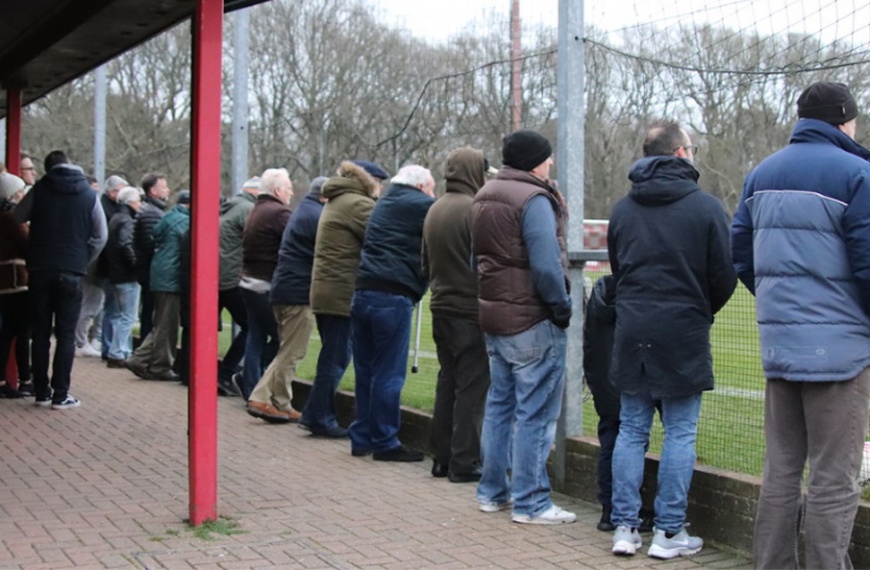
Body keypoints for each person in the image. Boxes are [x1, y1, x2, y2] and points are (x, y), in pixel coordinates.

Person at [732, 82, 870, 569]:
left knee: (781, 472)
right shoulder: (859, 174)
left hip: (781, 346)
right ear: (844, 120)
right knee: (835, 477)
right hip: (840, 353)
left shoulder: (762, 173)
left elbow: (741, 257)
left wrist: (783, 311)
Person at [608, 120, 736, 558]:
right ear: (681, 154)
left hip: (634, 327)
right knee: (679, 433)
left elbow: (618, 268)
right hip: (681, 329)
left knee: (632, 430)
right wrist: (698, 310)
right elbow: (724, 274)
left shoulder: (624, 209)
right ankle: (667, 531)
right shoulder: (706, 208)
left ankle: (625, 526)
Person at [471, 129, 574, 524]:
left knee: (500, 406)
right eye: (547, 158)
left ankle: (492, 492)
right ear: (536, 161)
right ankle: (531, 502)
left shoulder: (483, 195)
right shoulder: (533, 199)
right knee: (534, 413)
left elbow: (474, 260)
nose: (551, 165)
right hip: (533, 319)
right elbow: (547, 263)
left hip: (495, 318)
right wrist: (560, 307)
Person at [348, 165, 435, 461]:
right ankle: (385, 442)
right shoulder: (418, 204)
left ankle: (361, 438)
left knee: (365, 370)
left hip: (363, 292)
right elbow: (451, 215)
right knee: (388, 372)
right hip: (392, 295)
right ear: (422, 187)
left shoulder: (385, 202)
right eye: (432, 188)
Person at [14, 150, 107, 409]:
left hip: (40, 269)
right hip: (72, 270)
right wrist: (82, 258)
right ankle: (60, 394)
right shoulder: (89, 194)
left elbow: (18, 216)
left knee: (40, 333)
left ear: (47, 168)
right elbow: (101, 235)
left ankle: (41, 391)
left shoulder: (40, 189)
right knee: (66, 335)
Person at [422, 147, 490, 481]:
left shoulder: (435, 209)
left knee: (447, 382)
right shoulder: (474, 210)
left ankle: (441, 457)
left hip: (441, 307)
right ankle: (464, 462)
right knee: (472, 390)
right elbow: (486, 264)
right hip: (469, 310)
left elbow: (424, 263)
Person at [308, 161, 379, 445]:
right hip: (340, 292)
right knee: (336, 358)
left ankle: (316, 413)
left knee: (331, 356)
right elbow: (380, 234)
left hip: (326, 290)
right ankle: (320, 417)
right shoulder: (356, 205)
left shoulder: (337, 201)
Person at [248, 177, 326, 425]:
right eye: (288, 188)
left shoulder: (301, 211)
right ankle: (260, 397)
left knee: (286, 348)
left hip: (282, 289)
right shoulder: (313, 216)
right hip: (297, 293)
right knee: (292, 351)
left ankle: (281, 401)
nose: (292, 192)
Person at [583, 275, 655, 533]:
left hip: (604, 377)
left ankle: (608, 509)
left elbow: (589, 341)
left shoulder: (601, 292)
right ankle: (625, 511)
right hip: (628, 376)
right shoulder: (638, 291)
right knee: (632, 438)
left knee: (610, 439)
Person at [237, 168, 294, 403]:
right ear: (278, 190)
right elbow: (293, 245)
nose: (291, 192)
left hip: (248, 283)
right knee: (286, 340)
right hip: (265, 285)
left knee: (256, 337)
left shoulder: (256, 210)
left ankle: (250, 384)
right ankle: (259, 386)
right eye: (289, 188)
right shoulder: (279, 213)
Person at [125, 190, 190, 381]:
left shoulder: (169, 217)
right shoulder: (183, 222)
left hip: (159, 275)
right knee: (166, 325)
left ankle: (144, 359)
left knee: (161, 322)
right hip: (171, 279)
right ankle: (155, 364)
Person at [217, 176, 261, 396]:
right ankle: (225, 375)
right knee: (251, 327)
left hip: (217, 276)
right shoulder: (247, 209)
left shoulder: (228, 207)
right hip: (232, 278)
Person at [0, 172, 32, 398]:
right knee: (20, 331)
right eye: (19, 191)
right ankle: (25, 379)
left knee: (9, 331)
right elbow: (27, 244)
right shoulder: (12, 218)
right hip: (15, 279)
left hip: (6, 280)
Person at [104, 187, 142, 367]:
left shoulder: (115, 218)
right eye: (137, 201)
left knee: (118, 314)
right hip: (126, 275)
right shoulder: (127, 221)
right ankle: (117, 352)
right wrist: (136, 263)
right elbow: (125, 244)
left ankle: (120, 350)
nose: (139, 204)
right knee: (127, 316)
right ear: (130, 202)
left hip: (115, 273)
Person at [132, 173, 171, 344]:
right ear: (153, 191)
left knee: (149, 311)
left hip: (146, 271)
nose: (167, 190)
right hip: (150, 272)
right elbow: (152, 244)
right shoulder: (151, 213)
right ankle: (146, 353)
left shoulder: (150, 210)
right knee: (151, 313)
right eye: (164, 187)